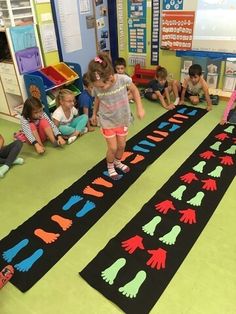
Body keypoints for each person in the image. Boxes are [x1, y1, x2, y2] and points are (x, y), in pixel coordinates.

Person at [88, 53, 145, 180]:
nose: (100, 88)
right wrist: (94, 114)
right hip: (107, 120)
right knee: (112, 147)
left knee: (122, 146)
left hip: (122, 119)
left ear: (109, 76)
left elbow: (135, 90)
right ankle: (110, 166)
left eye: (102, 86)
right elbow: (97, 98)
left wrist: (139, 107)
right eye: (97, 87)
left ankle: (117, 162)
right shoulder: (98, 87)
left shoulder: (122, 79)